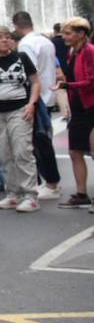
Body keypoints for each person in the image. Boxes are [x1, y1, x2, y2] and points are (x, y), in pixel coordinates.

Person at [0, 25, 42, 213]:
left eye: (8, 37)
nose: (5, 40)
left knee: (22, 150)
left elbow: (35, 81)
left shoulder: (22, 58)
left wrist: (31, 104)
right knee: (2, 153)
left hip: (19, 109)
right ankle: (12, 193)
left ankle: (30, 195)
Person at [13, 10, 63, 198]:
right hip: (47, 95)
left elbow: (28, 73)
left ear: (16, 26)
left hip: (36, 99)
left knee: (39, 143)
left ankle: (51, 183)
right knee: (42, 141)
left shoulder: (26, 44)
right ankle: (49, 182)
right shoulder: (45, 40)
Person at [56, 17, 94, 210]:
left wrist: (67, 85)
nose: (64, 36)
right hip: (79, 107)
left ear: (80, 34)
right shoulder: (73, 52)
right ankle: (81, 194)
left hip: (92, 107)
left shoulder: (89, 52)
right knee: (74, 152)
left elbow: (91, 80)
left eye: (68, 33)